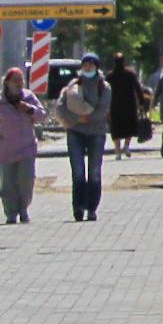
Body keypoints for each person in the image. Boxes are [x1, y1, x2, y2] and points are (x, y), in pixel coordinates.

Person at [0, 66, 46, 224]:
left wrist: (29, 109)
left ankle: (23, 209)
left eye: (21, 80)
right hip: (4, 149)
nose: (18, 84)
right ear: (7, 83)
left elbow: (42, 115)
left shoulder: (28, 97)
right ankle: (11, 213)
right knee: (7, 183)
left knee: (26, 181)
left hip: (26, 148)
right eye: (15, 81)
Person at [59, 55, 111, 221]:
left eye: (91, 65)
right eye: (85, 65)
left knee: (94, 172)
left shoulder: (104, 87)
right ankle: (78, 207)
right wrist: (76, 119)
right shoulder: (73, 85)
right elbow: (61, 107)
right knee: (78, 172)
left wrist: (87, 118)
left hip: (96, 133)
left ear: (96, 67)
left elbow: (103, 111)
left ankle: (92, 208)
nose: (87, 68)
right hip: (76, 132)